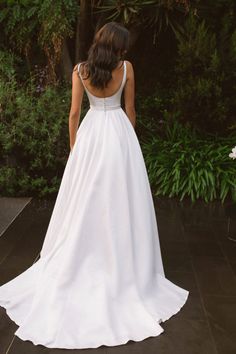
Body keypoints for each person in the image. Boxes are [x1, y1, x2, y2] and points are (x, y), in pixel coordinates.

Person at [0, 21, 189, 349]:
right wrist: (126, 144)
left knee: (83, 201)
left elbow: (74, 114)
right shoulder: (127, 68)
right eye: (123, 45)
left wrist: (76, 150)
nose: (125, 50)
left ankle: (83, 254)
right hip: (118, 136)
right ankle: (121, 258)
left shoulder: (80, 71)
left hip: (89, 137)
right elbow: (131, 112)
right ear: (117, 47)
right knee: (121, 200)